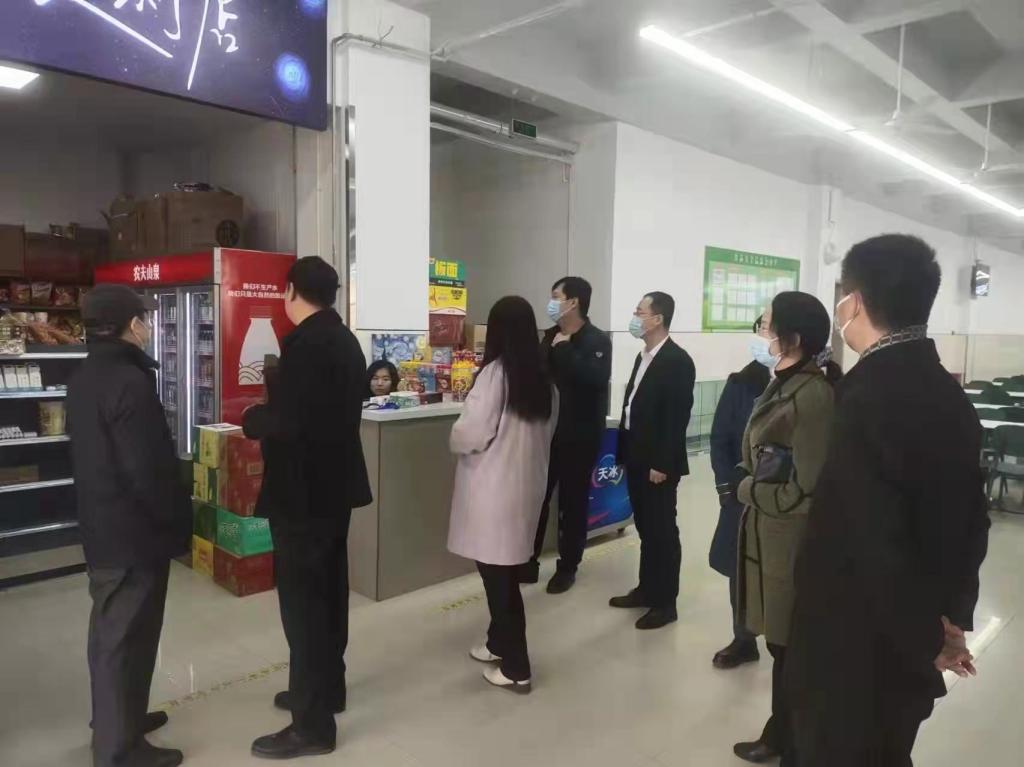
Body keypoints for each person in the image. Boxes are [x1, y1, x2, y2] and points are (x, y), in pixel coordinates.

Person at [787, 235, 990, 766]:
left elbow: (870, 542)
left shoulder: (864, 399)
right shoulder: (950, 395)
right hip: (912, 639)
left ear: (853, 302)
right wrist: (950, 620)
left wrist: (928, 636)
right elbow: (973, 521)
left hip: (856, 647)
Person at [243, 256, 372, 760]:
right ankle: (326, 688)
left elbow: (291, 423)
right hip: (335, 489)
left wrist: (254, 419)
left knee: (303, 606)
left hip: (302, 493)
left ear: (293, 290)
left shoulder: (306, 345)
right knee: (329, 592)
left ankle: (311, 724)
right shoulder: (344, 340)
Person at [68, 284, 190, 767]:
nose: (149, 326)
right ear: (132, 325)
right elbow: (147, 469)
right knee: (124, 637)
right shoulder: (129, 381)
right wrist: (176, 520)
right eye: (145, 319)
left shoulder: (85, 375)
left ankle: (121, 718)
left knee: (115, 633)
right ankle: (118, 750)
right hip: (133, 533)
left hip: (103, 524)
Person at [730, 293, 841, 765]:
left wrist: (749, 491)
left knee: (789, 648)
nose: (762, 332)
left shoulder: (813, 395)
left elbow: (807, 490)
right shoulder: (782, 382)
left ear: (792, 338)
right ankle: (782, 733)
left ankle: (792, 741)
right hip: (768, 535)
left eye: (767, 324)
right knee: (781, 645)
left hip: (789, 542)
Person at [448, 296, 558, 694]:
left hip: (493, 492)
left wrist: (455, 437)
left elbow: (471, 433)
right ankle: (497, 642)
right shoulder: (544, 379)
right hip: (525, 489)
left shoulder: (496, 375)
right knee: (503, 572)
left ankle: (516, 667)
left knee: (500, 581)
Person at [610, 292, 695, 630]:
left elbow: (676, 418)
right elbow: (631, 407)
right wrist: (623, 453)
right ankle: (646, 589)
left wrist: (662, 464)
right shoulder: (643, 356)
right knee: (646, 528)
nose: (635, 317)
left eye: (639, 311)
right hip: (636, 455)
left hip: (658, 463)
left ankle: (665, 602)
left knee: (662, 532)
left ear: (657, 319)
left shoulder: (677, 360)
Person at [525, 276, 612, 594]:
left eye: (556, 296)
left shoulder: (597, 340)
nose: (551, 302)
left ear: (573, 302)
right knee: (537, 498)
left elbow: (594, 379)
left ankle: (568, 566)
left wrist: (563, 351)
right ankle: (527, 560)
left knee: (573, 502)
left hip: (580, 436)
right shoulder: (549, 336)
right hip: (545, 433)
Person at [709, 316, 770, 670]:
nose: (762, 335)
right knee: (739, 569)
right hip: (741, 495)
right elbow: (720, 438)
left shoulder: (812, 386)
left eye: (769, 327)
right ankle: (744, 638)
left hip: (782, 500)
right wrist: (725, 487)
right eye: (760, 327)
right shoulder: (741, 383)